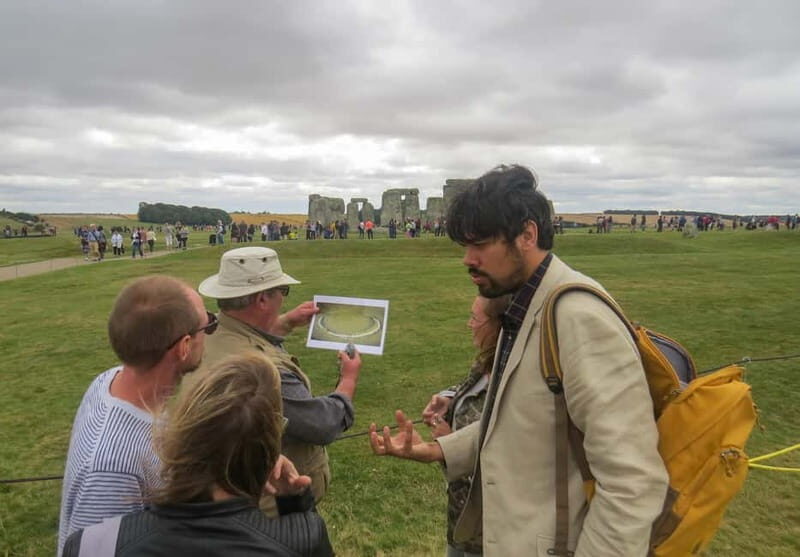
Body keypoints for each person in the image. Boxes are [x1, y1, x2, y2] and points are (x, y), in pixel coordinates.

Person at [370, 164, 668, 556]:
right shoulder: (525, 304)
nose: (467, 259)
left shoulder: (577, 316)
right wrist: (440, 451)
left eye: (481, 245)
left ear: (527, 235)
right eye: (465, 246)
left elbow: (632, 481)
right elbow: (519, 421)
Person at [62, 353, 333, 557]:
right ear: (268, 452)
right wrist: (295, 505)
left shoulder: (91, 545)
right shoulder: (303, 539)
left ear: (184, 433)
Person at [191, 246, 362, 513]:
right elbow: (322, 424)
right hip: (271, 508)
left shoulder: (207, 335)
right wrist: (348, 380)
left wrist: (285, 323)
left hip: (227, 490)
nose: (283, 298)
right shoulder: (260, 370)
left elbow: (247, 334)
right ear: (261, 300)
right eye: (282, 292)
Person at [57, 275, 217, 553]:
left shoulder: (109, 381)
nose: (210, 333)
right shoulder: (112, 469)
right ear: (184, 347)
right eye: (209, 326)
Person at [420, 295, 509, 557]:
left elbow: (498, 466)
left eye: (475, 318)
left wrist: (449, 442)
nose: (469, 325)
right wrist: (449, 398)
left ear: (499, 326)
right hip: (462, 524)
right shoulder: (487, 361)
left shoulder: (514, 379)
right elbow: (469, 387)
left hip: (489, 531)